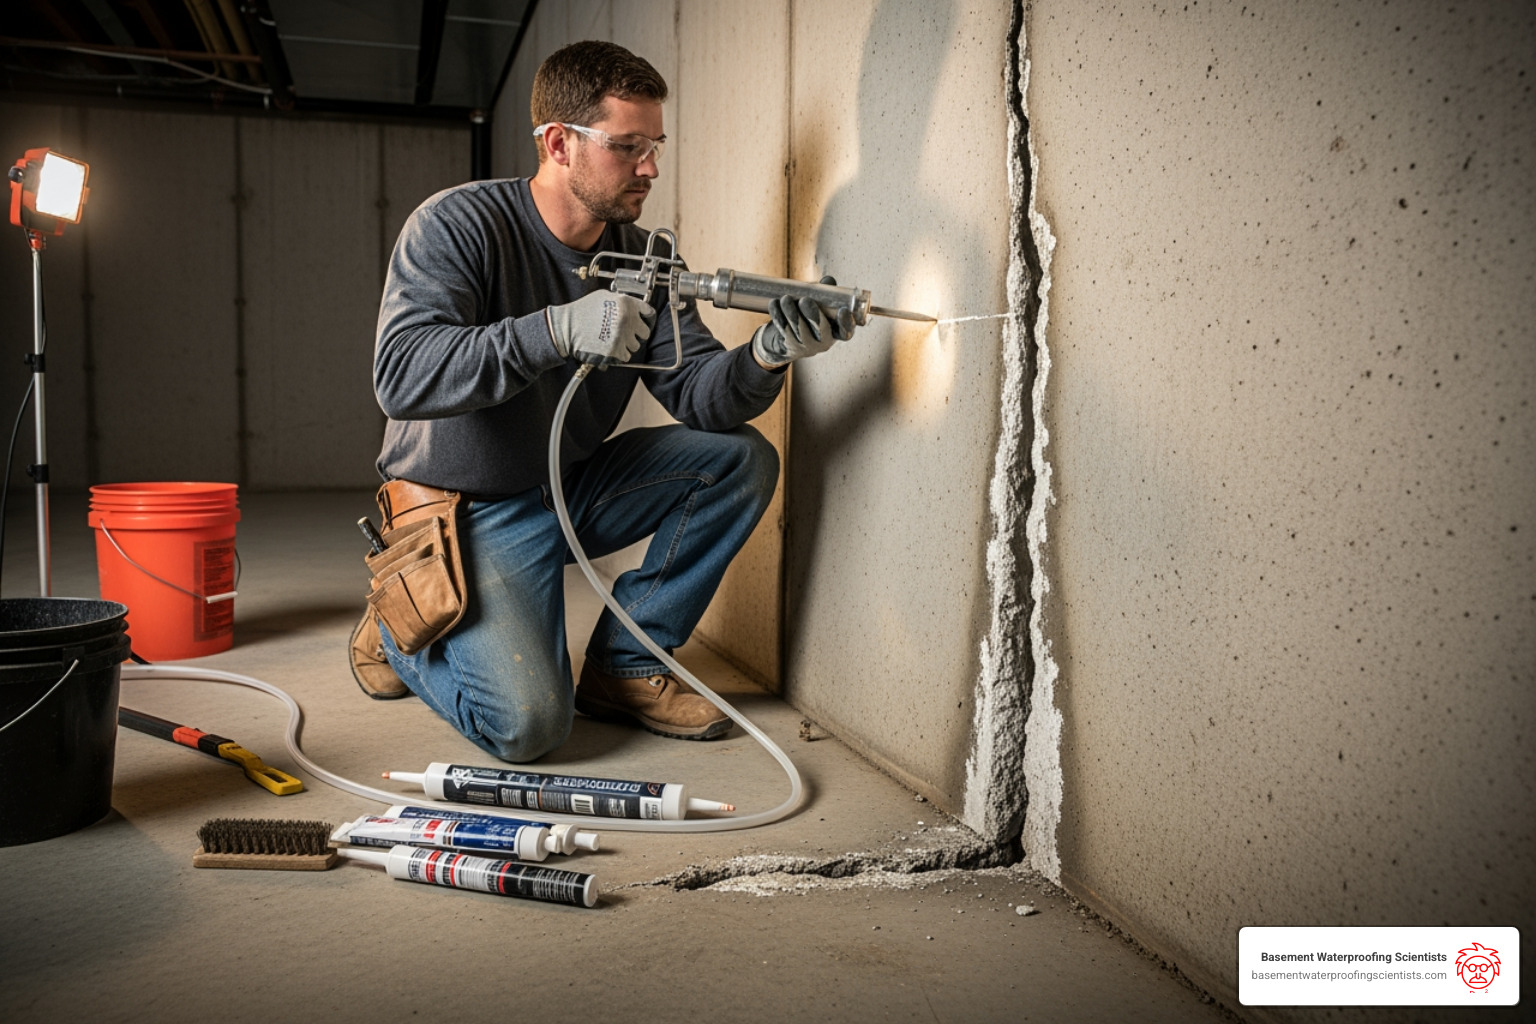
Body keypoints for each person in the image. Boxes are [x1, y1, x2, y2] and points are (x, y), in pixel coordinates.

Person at [349, 40, 855, 763]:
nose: (649, 167)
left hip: (569, 482)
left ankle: (627, 665)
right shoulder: (457, 226)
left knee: (736, 459)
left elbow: (702, 397)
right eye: (627, 147)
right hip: (466, 509)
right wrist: (554, 329)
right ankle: (401, 621)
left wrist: (768, 355)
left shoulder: (647, 260)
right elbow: (402, 374)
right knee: (528, 728)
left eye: (654, 145)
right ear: (558, 142)